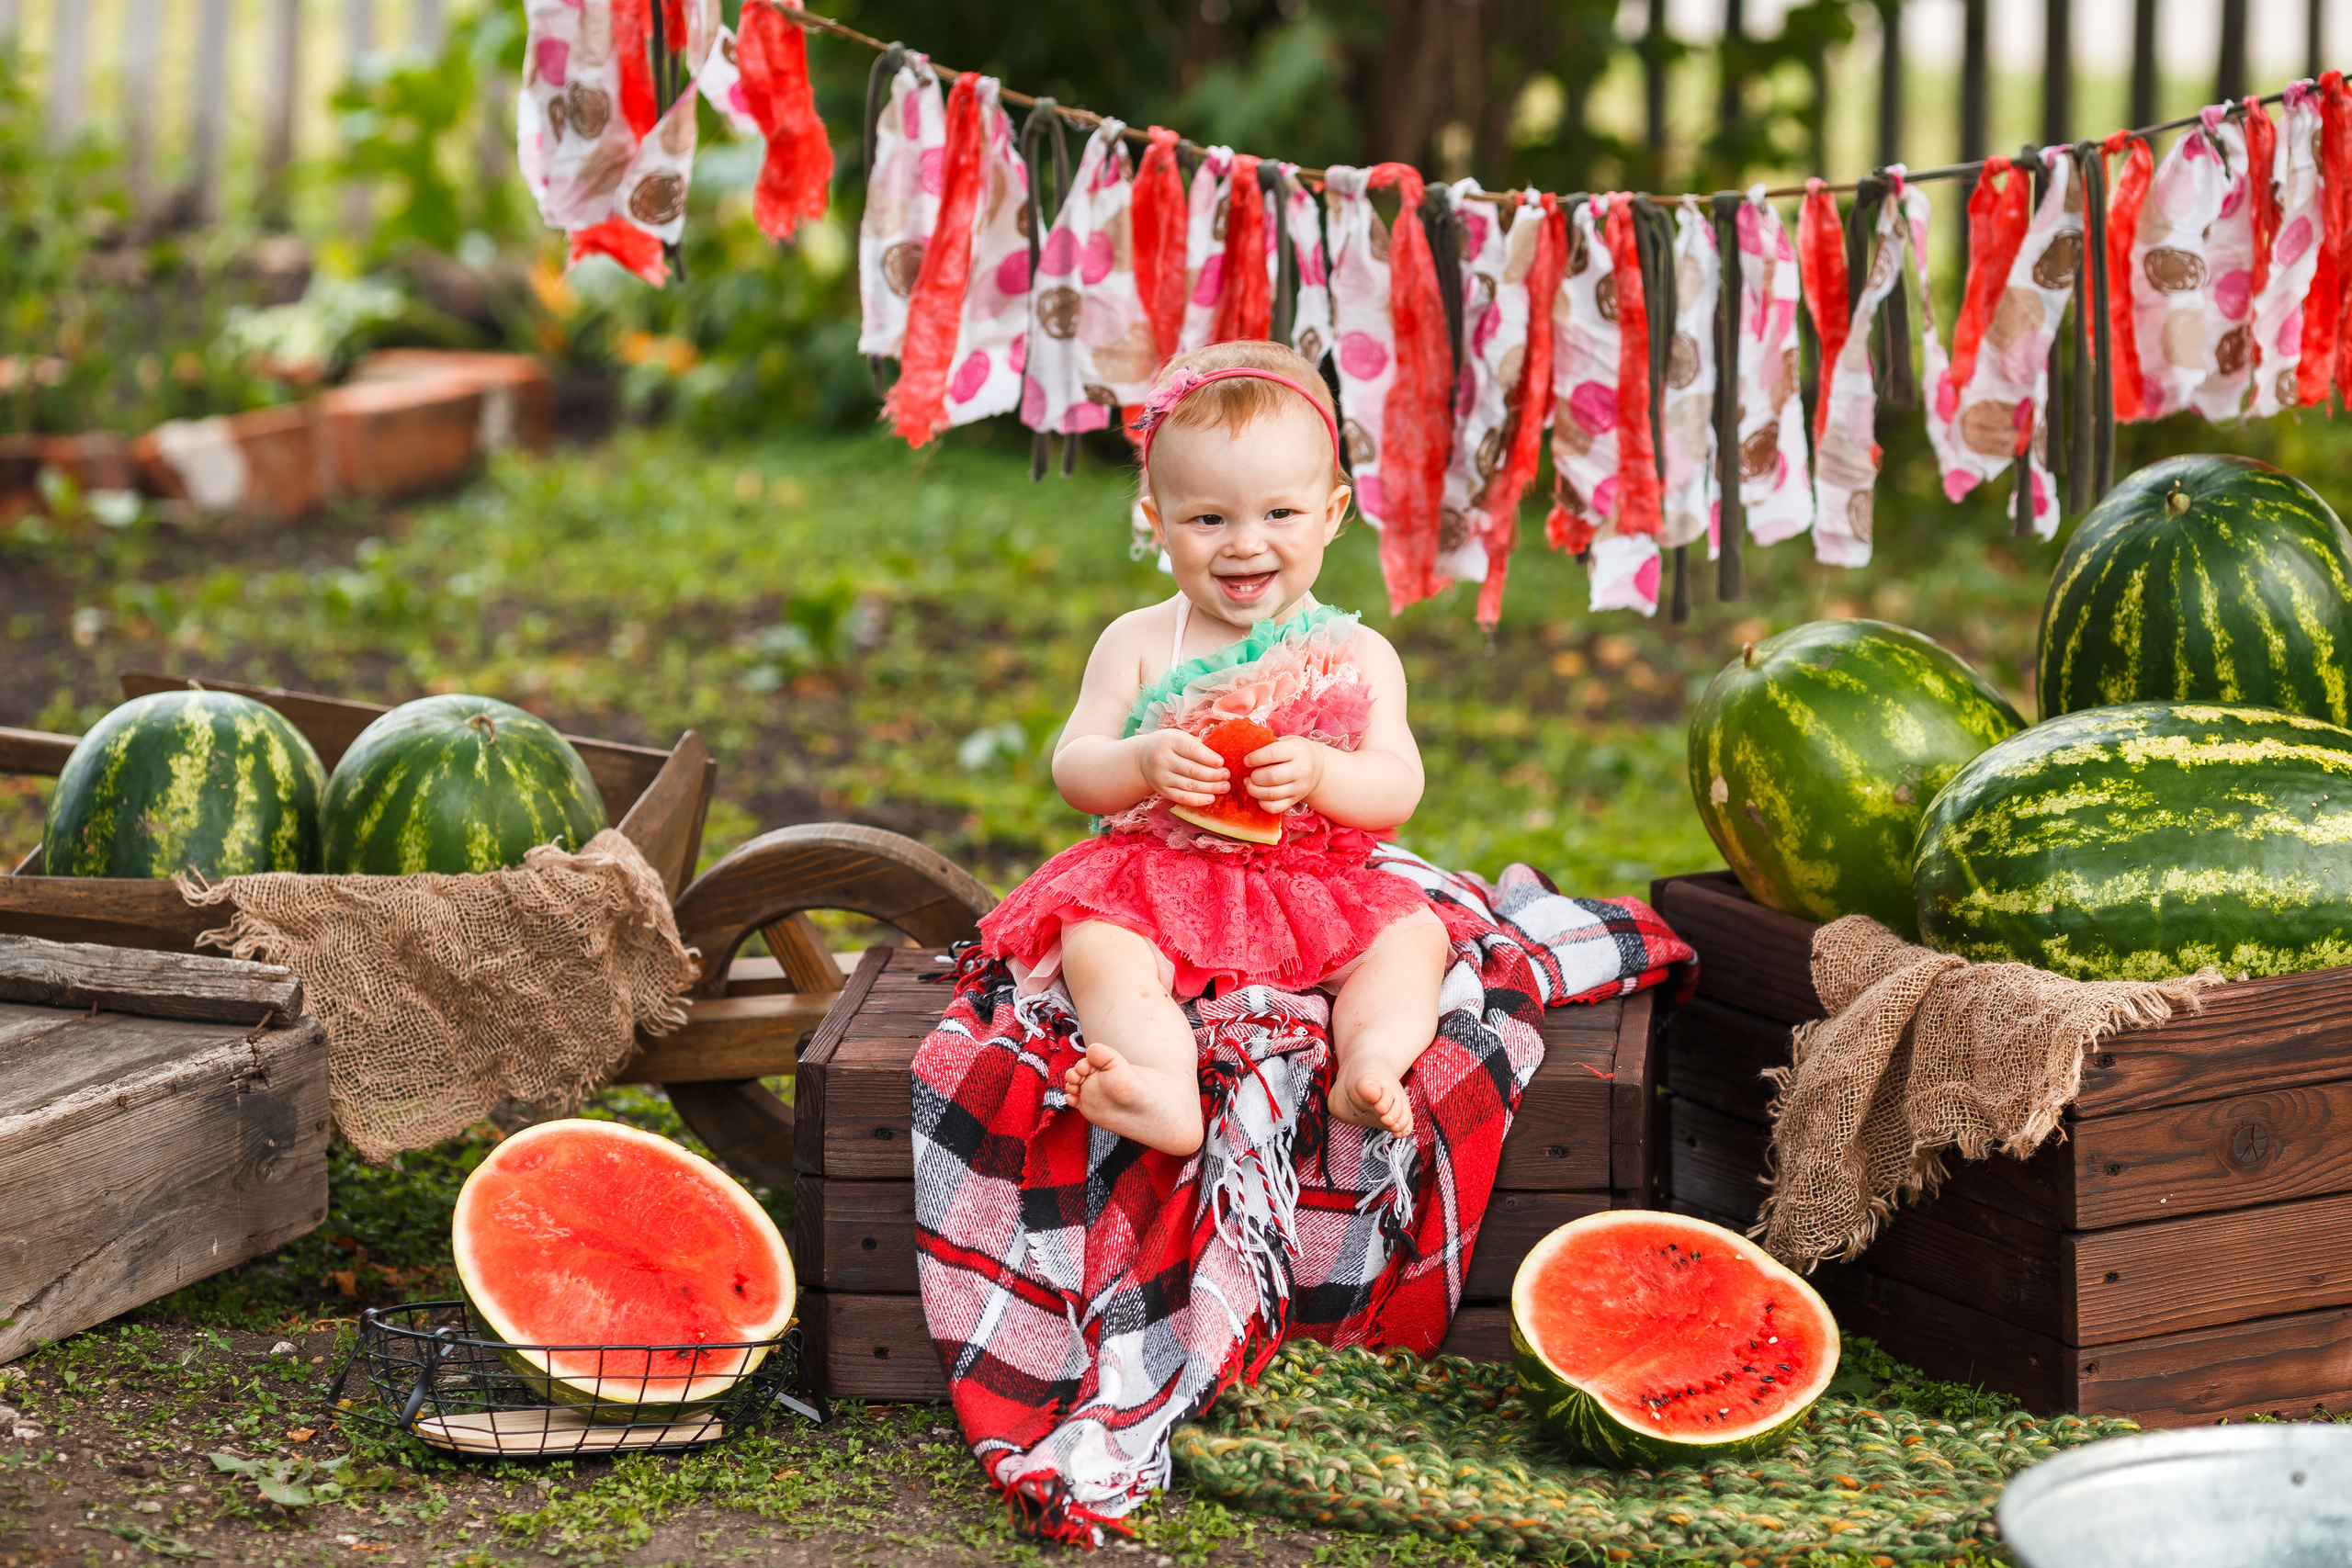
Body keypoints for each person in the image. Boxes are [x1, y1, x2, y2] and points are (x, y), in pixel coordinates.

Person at [974, 339, 1451, 1158]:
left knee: (1415, 941)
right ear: (1157, 522)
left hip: (1314, 883)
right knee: (1100, 947)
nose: (1243, 543)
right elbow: (1073, 765)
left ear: (1332, 514)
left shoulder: (1360, 655)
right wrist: (1142, 761)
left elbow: (1397, 787)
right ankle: (1160, 1082)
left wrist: (1324, 772)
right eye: (1208, 519)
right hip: (1160, 882)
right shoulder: (1137, 641)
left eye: (1278, 514)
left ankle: (1369, 1060)